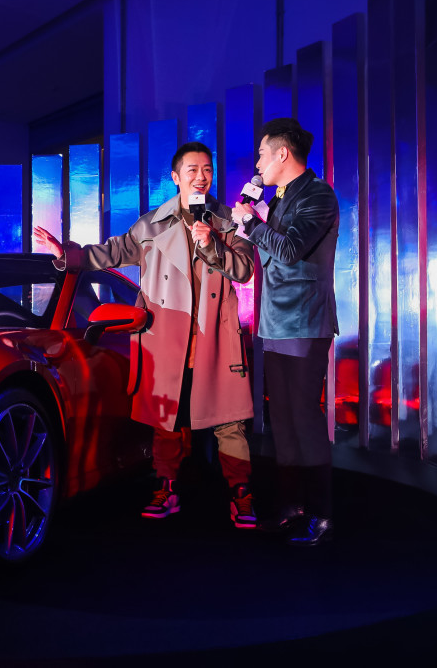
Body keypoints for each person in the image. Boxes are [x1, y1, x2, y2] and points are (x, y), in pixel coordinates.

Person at [32, 142, 257, 528]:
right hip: (168, 337)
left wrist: (211, 245)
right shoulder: (152, 224)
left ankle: (241, 493)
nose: (200, 177)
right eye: (192, 170)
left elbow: (245, 270)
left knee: (229, 422)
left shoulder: (229, 222)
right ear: (175, 177)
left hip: (214, 337)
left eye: (207, 169)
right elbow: (111, 252)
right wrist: (69, 255)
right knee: (166, 420)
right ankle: (166, 488)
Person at [230, 118, 340, 547]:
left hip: (305, 321)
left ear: (282, 153)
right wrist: (245, 224)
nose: (257, 164)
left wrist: (254, 224)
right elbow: (267, 253)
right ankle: (292, 505)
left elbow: (292, 250)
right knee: (282, 418)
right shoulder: (278, 198)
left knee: (304, 417)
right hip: (274, 322)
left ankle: (321, 514)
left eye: (262, 154)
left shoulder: (318, 195)